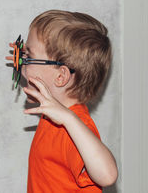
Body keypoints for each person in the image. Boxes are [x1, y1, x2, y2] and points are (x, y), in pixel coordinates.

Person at [6, 10, 118, 192]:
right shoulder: (53, 116)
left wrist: (69, 120)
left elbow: (108, 175)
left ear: (61, 76)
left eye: (28, 57)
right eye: (22, 55)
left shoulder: (73, 126)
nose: (21, 63)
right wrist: (28, 60)